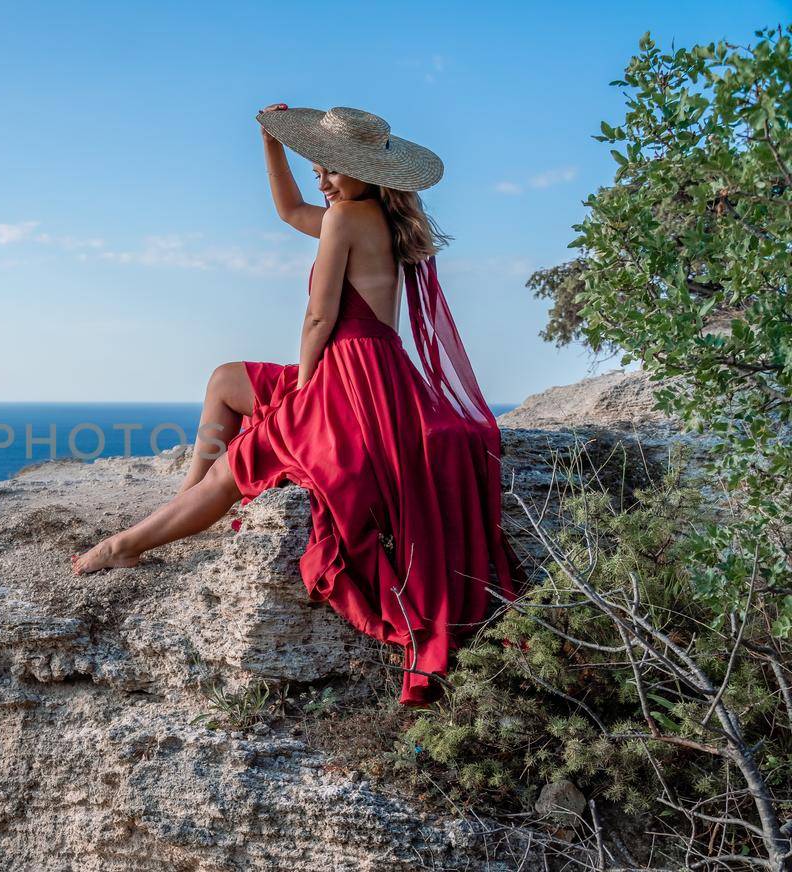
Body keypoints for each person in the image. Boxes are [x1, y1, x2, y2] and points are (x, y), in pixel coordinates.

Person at [70, 104, 524, 705]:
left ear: (370, 173)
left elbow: (319, 318)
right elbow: (287, 212)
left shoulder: (346, 217)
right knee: (226, 379)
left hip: (344, 375)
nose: (324, 178)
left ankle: (123, 546)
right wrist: (270, 143)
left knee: (248, 461)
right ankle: (186, 490)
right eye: (321, 165)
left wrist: (305, 387)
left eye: (336, 169)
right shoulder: (372, 218)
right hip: (375, 369)